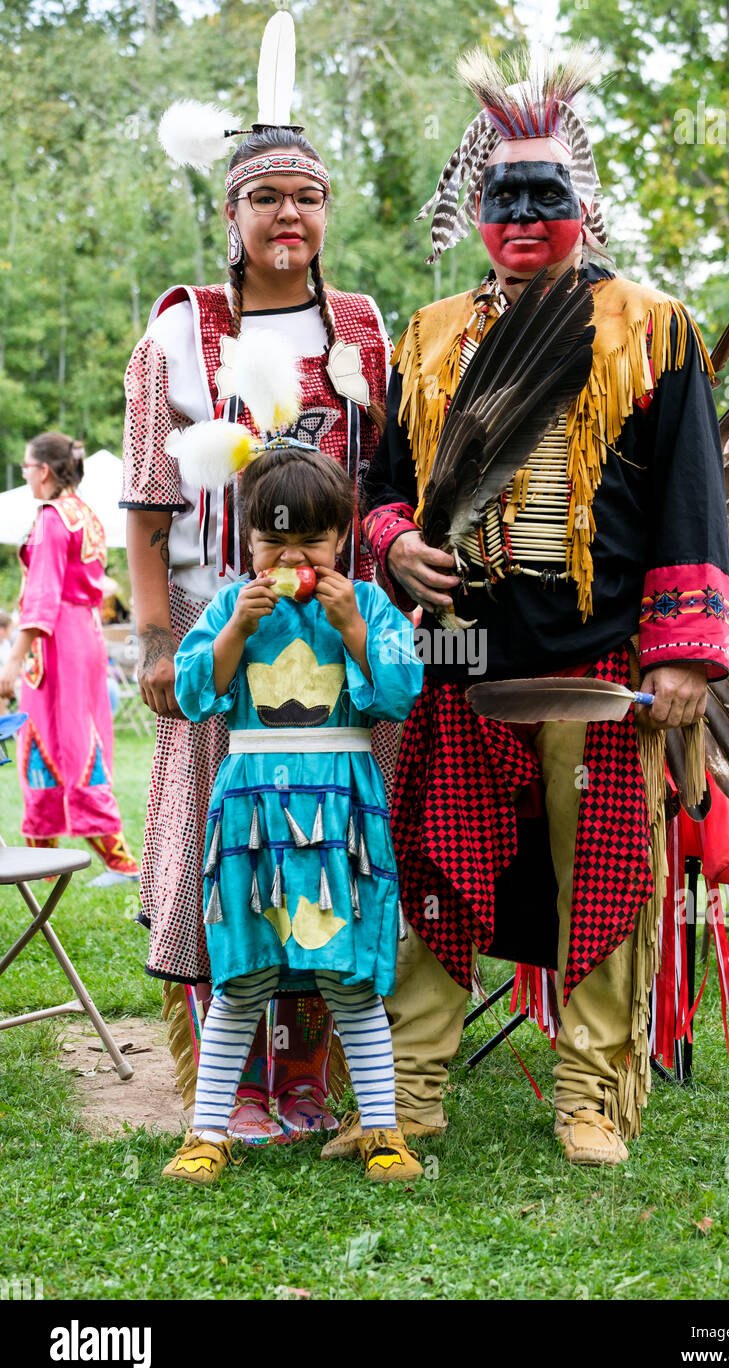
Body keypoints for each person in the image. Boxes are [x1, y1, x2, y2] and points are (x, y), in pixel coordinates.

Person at [356, 47, 729, 1167]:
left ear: (582, 207)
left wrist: (679, 654)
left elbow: (689, 496)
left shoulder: (653, 327)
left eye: (545, 198)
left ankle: (588, 1096)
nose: (523, 219)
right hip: (460, 653)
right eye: (502, 200)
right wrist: (397, 544)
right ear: (475, 213)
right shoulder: (425, 339)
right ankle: (409, 1092)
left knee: (605, 880)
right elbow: (380, 492)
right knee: (433, 861)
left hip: (599, 662)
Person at [121, 9, 393, 1142]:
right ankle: (221, 1076)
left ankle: (308, 1073)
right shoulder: (183, 330)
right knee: (217, 849)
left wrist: (367, 608)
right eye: (267, 197)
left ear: (326, 213)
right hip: (214, 628)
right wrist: (150, 638)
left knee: (324, 843)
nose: (290, 215)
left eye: (307, 197)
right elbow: (147, 496)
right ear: (230, 212)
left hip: (331, 636)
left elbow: (385, 487)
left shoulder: (365, 329)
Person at [161, 435, 423, 1184]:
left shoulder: (368, 604)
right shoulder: (227, 609)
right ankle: (208, 1132)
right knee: (242, 975)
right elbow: (192, 695)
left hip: (340, 818)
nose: (292, 557)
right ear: (247, 540)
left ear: (343, 537)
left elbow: (398, 695)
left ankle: (383, 1129)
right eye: (273, 540)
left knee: (348, 978)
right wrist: (238, 629)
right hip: (251, 819)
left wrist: (351, 629)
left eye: (312, 540)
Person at [0, 433, 139, 887]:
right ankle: (52, 859)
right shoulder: (87, 515)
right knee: (79, 742)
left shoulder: (49, 521)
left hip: (56, 643)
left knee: (53, 744)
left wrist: (10, 664)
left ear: (42, 470)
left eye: (25, 466)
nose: (24, 474)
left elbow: (40, 599)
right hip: (85, 638)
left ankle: (114, 862)